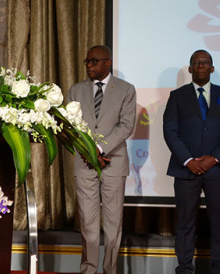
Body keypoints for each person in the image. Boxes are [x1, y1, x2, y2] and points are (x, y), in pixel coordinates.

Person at [163, 50, 220, 274]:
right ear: (190, 68)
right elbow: (170, 131)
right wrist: (188, 160)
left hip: (218, 169)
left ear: (212, 68)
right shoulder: (177, 96)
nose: (200, 65)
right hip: (185, 169)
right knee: (185, 223)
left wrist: (214, 158)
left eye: (205, 62)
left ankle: (219, 268)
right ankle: (185, 268)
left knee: (219, 223)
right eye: (196, 63)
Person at [67, 45, 136, 274]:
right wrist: (89, 151)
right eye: (87, 61)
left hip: (114, 163)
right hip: (85, 162)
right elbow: (71, 126)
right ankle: (88, 269)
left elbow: (126, 125)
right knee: (88, 223)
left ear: (108, 63)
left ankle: (110, 269)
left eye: (94, 61)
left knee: (113, 224)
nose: (89, 65)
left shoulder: (126, 89)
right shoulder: (76, 90)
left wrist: (100, 148)